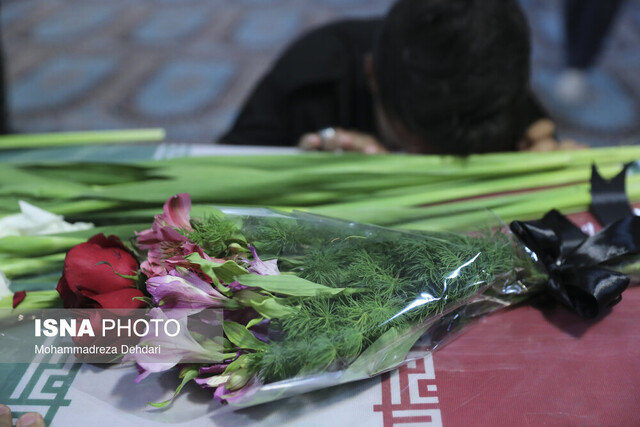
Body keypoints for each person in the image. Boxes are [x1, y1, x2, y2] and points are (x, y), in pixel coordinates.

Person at [220, 0, 578, 154]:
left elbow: (543, 142)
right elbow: (217, 181)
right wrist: (303, 175)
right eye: (409, 149)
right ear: (371, 73)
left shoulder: (494, 95)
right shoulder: (312, 78)